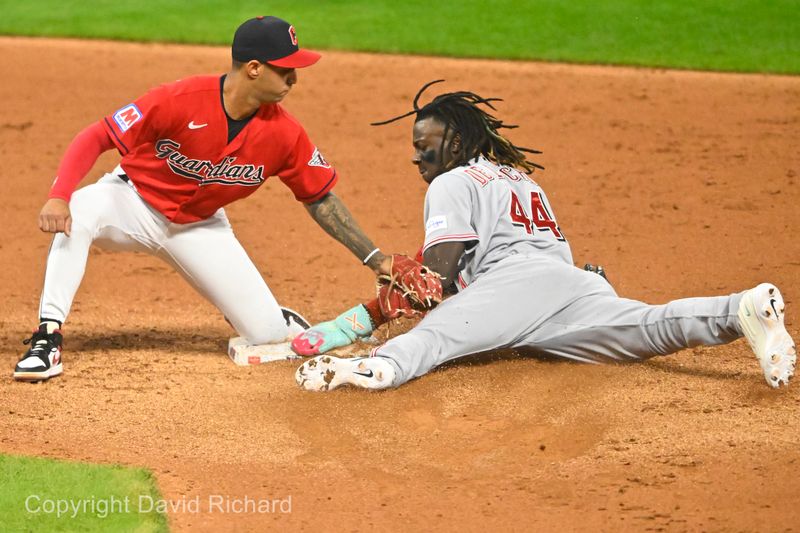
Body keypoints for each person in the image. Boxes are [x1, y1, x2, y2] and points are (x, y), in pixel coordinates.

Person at [294, 81, 796, 391]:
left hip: (515, 288)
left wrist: (379, 309)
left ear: (457, 142)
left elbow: (437, 282)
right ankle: (741, 309)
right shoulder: (519, 178)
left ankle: (368, 371)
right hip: (571, 285)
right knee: (650, 328)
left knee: (436, 337)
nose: (416, 157)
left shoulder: (451, 181)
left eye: (425, 146)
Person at [13, 16, 394, 382]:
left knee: (267, 335)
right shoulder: (178, 99)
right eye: (285, 69)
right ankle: (48, 336)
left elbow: (320, 197)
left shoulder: (286, 134)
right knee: (78, 211)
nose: (294, 78)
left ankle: (268, 312)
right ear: (255, 68)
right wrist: (58, 196)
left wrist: (375, 259)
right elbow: (97, 137)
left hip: (200, 227)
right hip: (129, 202)